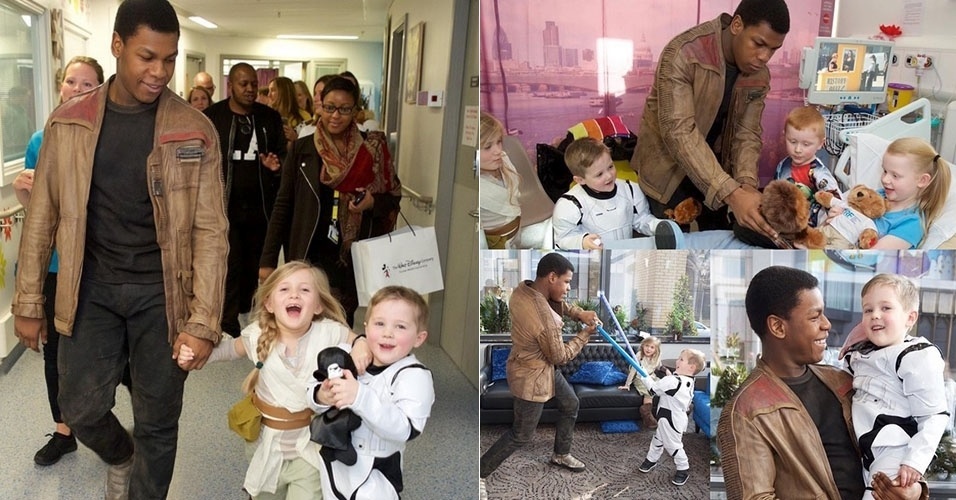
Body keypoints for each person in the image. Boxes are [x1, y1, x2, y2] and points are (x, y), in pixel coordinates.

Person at [12, 1, 228, 498]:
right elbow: (42, 214)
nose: (159, 72)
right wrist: (27, 302)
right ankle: (121, 455)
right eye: (147, 57)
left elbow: (212, 233)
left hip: (163, 296)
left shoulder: (195, 128)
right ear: (117, 46)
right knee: (80, 405)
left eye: (170, 59)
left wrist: (204, 319)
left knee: (158, 418)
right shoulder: (69, 123)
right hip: (92, 288)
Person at [717, 266, 925, 499]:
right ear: (777, 326)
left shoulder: (843, 381)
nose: (827, 324)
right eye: (815, 316)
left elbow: (892, 433)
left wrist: (914, 490)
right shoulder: (746, 411)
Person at [177, 261, 372, 498]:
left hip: (310, 447)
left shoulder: (329, 332)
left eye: (305, 290)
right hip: (265, 446)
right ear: (269, 303)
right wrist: (195, 354)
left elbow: (358, 340)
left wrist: (361, 343)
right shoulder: (257, 334)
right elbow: (227, 351)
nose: (294, 295)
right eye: (284, 289)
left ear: (319, 305)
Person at [629, 0, 789, 242]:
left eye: (773, 49)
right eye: (758, 44)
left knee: (717, 251)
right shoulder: (683, 53)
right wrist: (733, 193)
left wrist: (745, 185)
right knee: (664, 258)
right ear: (737, 25)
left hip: (717, 174)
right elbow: (679, 132)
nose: (765, 56)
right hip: (666, 176)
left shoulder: (759, 74)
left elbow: (747, 133)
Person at [12, 55, 104, 467]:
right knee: (57, 353)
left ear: (101, 90)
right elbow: (40, 217)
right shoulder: (39, 139)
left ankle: (103, 426)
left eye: (89, 84)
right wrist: (23, 195)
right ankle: (64, 430)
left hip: (100, 265)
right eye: (72, 82)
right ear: (60, 87)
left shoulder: (112, 138)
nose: (78, 90)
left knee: (104, 349)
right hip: (54, 266)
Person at [260, 76, 401, 326]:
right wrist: (268, 261)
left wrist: (371, 203)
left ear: (355, 111)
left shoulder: (370, 149)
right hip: (308, 249)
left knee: (339, 324)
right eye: (329, 107)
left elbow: (392, 198)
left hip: (349, 256)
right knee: (301, 323)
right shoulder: (303, 149)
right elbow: (283, 205)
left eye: (344, 109)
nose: (335, 115)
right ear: (320, 107)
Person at [307, 285, 435, 499]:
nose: (388, 333)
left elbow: (407, 428)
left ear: (419, 338)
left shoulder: (414, 376)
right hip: (333, 465)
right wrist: (322, 395)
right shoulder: (347, 354)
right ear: (366, 328)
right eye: (380, 323)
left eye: (400, 327)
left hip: (376, 471)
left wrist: (360, 398)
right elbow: (311, 388)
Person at [479, 252, 599, 478]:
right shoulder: (546, 321)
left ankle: (560, 454)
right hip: (531, 378)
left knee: (570, 403)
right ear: (552, 277)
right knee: (521, 434)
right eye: (566, 282)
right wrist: (585, 334)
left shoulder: (523, 289)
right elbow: (560, 357)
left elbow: (553, 303)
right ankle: (479, 472)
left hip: (538, 367)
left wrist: (579, 313)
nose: (567, 288)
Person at [842, 274, 948, 499]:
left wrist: (914, 462)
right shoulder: (862, 353)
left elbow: (934, 415)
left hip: (896, 449)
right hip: (866, 450)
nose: (875, 315)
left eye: (886, 308)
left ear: (910, 318)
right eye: (868, 310)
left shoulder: (916, 356)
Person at [204, 62, 286, 338]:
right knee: (229, 265)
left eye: (253, 84)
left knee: (255, 267)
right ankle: (227, 323)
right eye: (244, 84)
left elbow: (283, 157)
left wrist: (276, 166)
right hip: (224, 209)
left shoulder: (269, 118)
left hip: (260, 210)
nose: (250, 89)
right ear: (231, 86)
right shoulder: (213, 117)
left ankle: (251, 316)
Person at [820, 137, 951, 249]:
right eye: (885, 171)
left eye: (895, 175)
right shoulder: (878, 195)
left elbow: (871, 255)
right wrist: (839, 215)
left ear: (922, 180)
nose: (885, 179)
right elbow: (851, 211)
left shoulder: (911, 223)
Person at [553, 137, 675, 250]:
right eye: (599, 174)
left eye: (610, 167)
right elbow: (563, 238)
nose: (609, 175)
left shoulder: (630, 189)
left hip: (625, 254)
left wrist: (659, 226)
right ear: (580, 180)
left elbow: (641, 219)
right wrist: (582, 241)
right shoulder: (570, 204)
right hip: (594, 260)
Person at [637, 348, 705, 486]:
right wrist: (667, 373)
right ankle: (651, 460)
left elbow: (654, 389)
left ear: (691, 367)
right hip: (670, 416)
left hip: (671, 419)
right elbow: (671, 384)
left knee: (673, 446)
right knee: (658, 439)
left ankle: (683, 468)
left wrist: (642, 374)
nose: (677, 361)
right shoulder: (687, 380)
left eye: (681, 359)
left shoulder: (674, 381)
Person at [773, 106, 841, 228]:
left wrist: (837, 210)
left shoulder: (819, 173)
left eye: (806, 144)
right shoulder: (783, 165)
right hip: (785, 223)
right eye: (792, 142)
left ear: (821, 144)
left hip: (812, 227)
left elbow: (835, 198)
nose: (798, 150)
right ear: (784, 136)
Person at [478, 111, 522, 249]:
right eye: (487, 147)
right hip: (496, 243)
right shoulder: (475, 186)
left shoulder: (503, 159)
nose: (497, 150)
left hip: (516, 232)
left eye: (499, 142)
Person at [617, 335, 662, 430]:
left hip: (651, 376)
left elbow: (659, 367)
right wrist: (627, 384)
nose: (648, 349)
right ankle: (647, 415)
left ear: (656, 350)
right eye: (647, 346)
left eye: (652, 347)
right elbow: (633, 371)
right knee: (649, 392)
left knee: (662, 387)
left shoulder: (656, 357)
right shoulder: (639, 355)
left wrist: (666, 371)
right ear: (643, 346)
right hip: (640, 378)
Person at [268, 76, 311, 151]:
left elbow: (310, 146)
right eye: (269, 91)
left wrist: (296, 138)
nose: (269, 95)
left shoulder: (303, 116)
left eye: (273, 90)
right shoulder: (267, 115)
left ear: (284, 92)